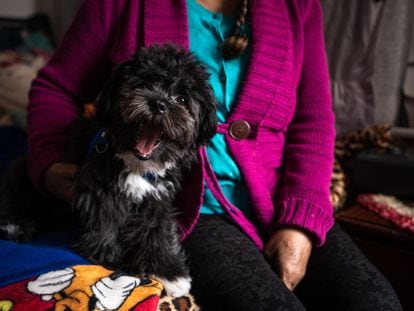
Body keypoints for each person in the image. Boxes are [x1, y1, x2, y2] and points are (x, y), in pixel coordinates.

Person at [27, 0, 402, 310]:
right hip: (188, 206)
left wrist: (300, 223)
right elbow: (55, 88)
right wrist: (51, 164)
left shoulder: (298, 6)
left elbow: (314, 119)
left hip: (281, 198)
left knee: (376, 301)